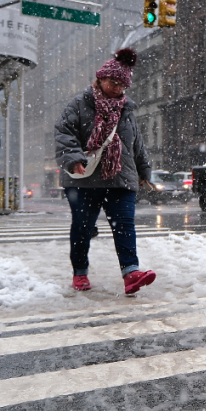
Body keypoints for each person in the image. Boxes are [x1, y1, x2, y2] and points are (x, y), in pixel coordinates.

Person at [55, 48, 156, 296]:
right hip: (84, 179)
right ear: (101, 78)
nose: (118, 88)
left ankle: (131, 273)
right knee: (82, 227)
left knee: (124, 225)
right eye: (114, 82)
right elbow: (64, 133)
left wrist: (144, 172)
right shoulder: (79, 104)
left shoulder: (127, 110)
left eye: (123, 84)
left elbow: (137, 144)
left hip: (120, 178)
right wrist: (73, 158)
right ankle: (80, 272)